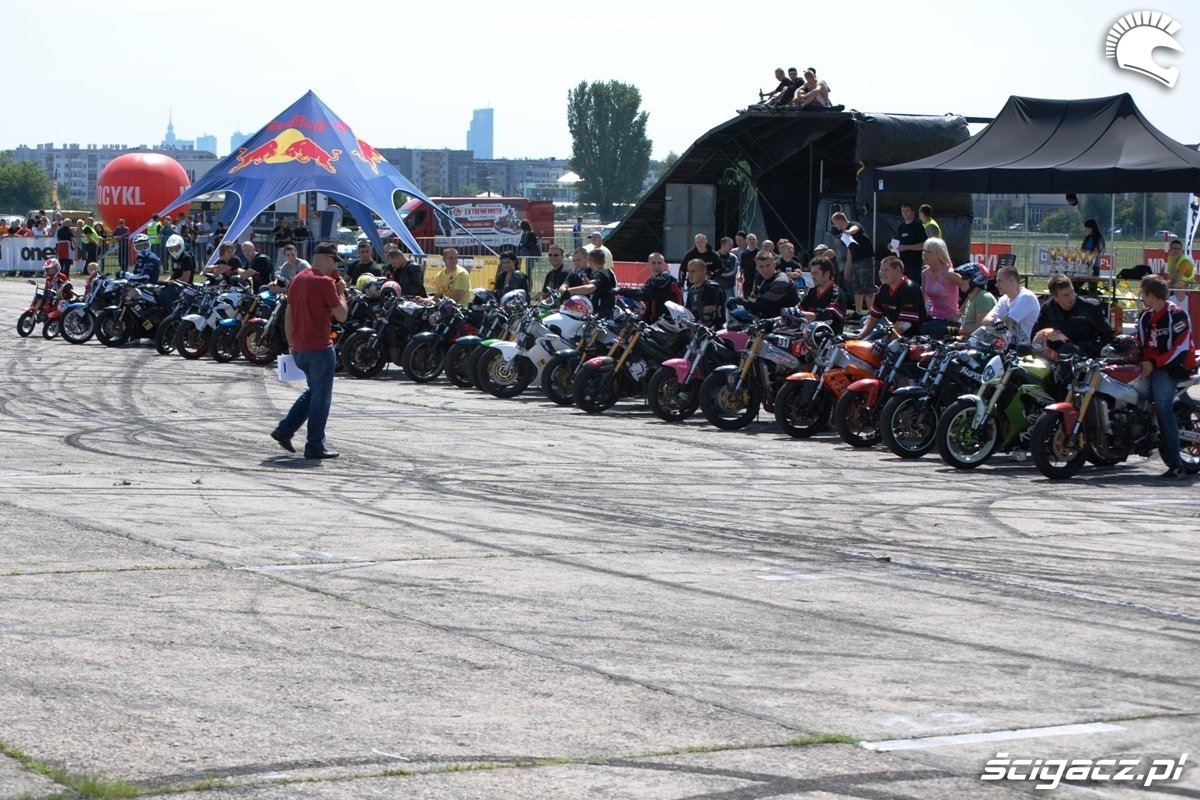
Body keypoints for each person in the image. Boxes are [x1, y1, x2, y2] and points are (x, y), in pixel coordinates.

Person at [271, 243, 349, 460]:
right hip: (320, 348)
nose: (335, 267)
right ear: (327, 259)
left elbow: (289, 314)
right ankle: (314, 444)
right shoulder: (325, 283)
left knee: (314, 392)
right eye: (334, 262)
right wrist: (341, 294)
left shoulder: (297, 279)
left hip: (300, 347)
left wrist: (291, 343)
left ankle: (285, 430)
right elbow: (342, 316)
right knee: (321, 399)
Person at [1136, 275, 1195, 480]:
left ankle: (1176, 464)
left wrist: (1154, 363)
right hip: (1149, 366)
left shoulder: (1177, 315)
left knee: (1162, 405)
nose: (1142, 297)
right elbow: (1139, 343)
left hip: (1172, 368)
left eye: (1143, 293)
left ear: (1152, 295)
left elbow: (1181, 349)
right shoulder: (1144, 316)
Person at [1034, 274, 1114, 357]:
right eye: (1066, 295)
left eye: (1072, 292)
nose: (1071, 297)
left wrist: (1093, 351)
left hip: (1086, 354)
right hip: (1059, 354)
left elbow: (1108, 334)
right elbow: (1036, 334)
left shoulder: (1089, 307)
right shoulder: (1048, 309)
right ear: (1055, 297)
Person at [859, 256, 925, 337]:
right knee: (863, 326)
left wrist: (884, 341)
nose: (883, 273)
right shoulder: (883, 288)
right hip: (891, 331)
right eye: (881, 270)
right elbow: (874, 316)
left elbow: (904, 324)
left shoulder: (910, 289)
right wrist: (861, 335)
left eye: (886, 270)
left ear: (898, 270)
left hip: (910, 335)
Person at [832, 212, 875, 319]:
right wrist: (847, 267)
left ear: (839, 220)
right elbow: (850, 251)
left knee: (867, 287)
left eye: (834, 223)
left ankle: (873, 313)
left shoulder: (854, 224)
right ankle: (858, 312)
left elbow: (855, 228)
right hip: (855, 262)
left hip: (865, 260)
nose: (835, 226)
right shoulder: (845, 235)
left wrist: (848, 231)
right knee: (857, 288)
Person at [618, 252, 683, 322]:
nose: (657, 266)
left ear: (664, 264)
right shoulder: (651, 280)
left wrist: (621, 291)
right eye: (653, 263)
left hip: (669, 322)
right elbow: (645, 299)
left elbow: (644, 295)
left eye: (659, 263)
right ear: (648, 265)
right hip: (657, 321)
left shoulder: (665, 278)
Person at [982, 265, 1040, 341]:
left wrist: (995, 322)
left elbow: (1006, 323)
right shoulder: (1004, 299)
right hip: (1010, 346)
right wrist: (994, 321)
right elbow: (985, 320)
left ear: (1012, 280)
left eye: (999, 281)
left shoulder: (1027, 297)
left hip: (1027, 346)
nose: (996, 285)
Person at [736, 250, 799, 317]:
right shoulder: (760, 278)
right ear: (757, 268)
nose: (765, 270)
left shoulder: (782, 281)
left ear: (774, 264)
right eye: (761, 267)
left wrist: (741, 301)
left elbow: (762, 304)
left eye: (768, 265)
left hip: (788, 319)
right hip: (769, 316)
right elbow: (754, 298)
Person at [793, 257, 846, 333]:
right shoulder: (811, 292)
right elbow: (797, 309)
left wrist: (801, 313)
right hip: (808, 336)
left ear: (827, 273)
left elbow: (829, 316)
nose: (812, 277)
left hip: (830, 338)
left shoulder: (837, 293)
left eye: (816, 273)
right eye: (812, 274)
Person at [920, 238, 960, 338]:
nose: (924, 254)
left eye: (928, 251)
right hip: (932, 317)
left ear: (938, 254)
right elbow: (924, 298)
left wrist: (960, 313)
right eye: (924, 251)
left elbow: (971, 289)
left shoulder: (948, 273)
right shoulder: (925, 273)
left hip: (949, 320)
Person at [565, 248, 617, 319]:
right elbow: (600, 288)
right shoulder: (607, 272)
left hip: (603, 316)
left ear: (590, 261)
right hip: (604, 314)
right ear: (604, 261)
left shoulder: (599, 274)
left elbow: (589, 289)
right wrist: (588, 282)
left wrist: (569, 290)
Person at [953, 264, 996, 337]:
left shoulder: (983, 297)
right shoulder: (972, 299)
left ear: (976, 279)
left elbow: (981, 327)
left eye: (964, 277)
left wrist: (959, 331)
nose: (961, 280)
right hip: (970, 341)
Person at [683, 258, 725, 327]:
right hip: (696, 328)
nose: (690, 275)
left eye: (693, 271)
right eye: (688, 271)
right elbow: (688, 311)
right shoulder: (692, 289)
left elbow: (709, 316)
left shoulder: (711, 288)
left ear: (703, 271)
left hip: (712, 329)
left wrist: (694, 326)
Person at [896, 202, 927, 287]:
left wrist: (907, 247)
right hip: (902, 264)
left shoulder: (918, 227)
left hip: (914, 265)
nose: (904, 213)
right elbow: (898, 241)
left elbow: (923, 244)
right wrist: (892, 245)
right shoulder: (901, 227)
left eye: (907, 211)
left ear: (913, 212)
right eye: (903, 211)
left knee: (914, 287)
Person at [1081, 218, 1106, 295]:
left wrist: (1087, 252)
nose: (1085, 229)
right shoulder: (1087, 238)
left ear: (1091, 228)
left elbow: (1096, 253)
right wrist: (1088, 252)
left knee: (1092, 289)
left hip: (1095, 267)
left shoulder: (1100, 239)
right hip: (1084, 267)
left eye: (1086, 227)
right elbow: (1081, 251)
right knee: (1075, 285)